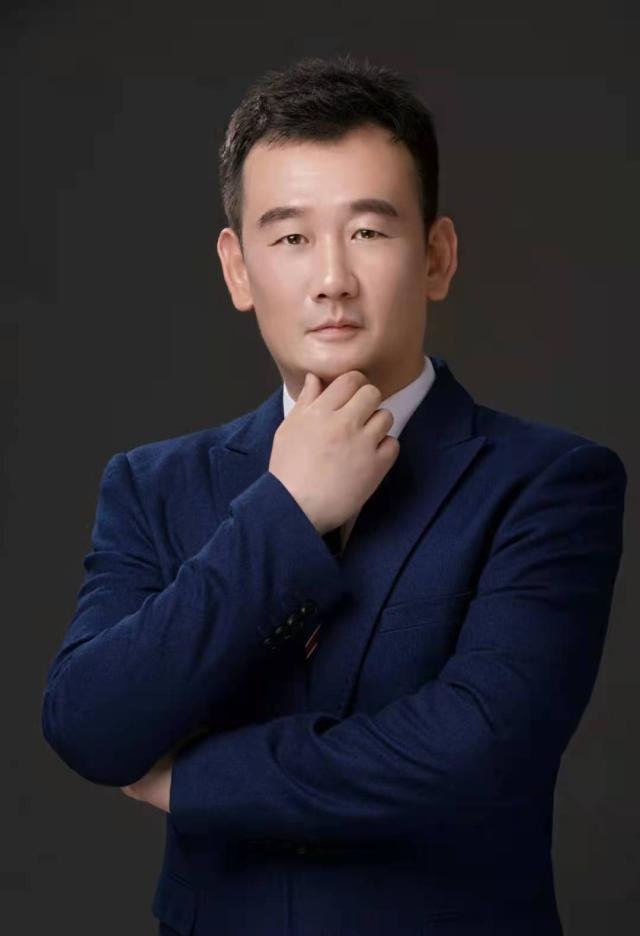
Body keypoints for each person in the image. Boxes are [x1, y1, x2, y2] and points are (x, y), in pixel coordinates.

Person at [41, 54, 627, 936]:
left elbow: (477, 754)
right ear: (238, 270)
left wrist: (194, 779)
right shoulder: (153, 484)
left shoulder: (550, 482)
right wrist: (285, 512)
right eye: (289, 239)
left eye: (368, 231)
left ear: (437, 256)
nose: (331, 280)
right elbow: (90, 723)